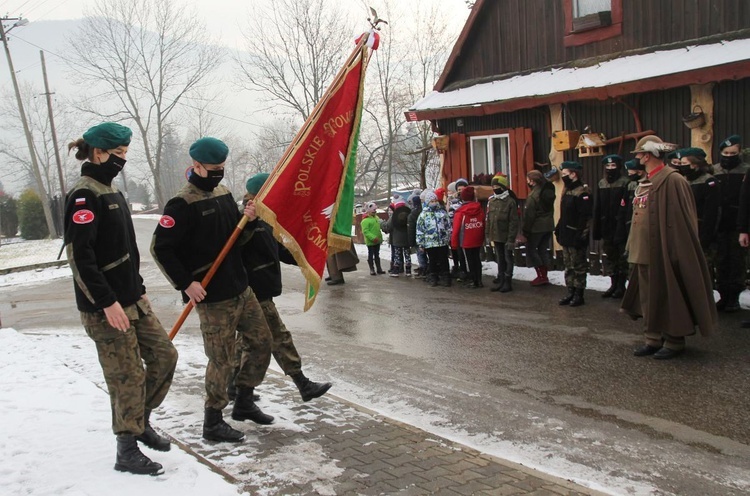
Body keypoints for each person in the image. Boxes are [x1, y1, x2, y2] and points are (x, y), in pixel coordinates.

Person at [65, 122, 178, 476]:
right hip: (106, 307)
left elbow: (124, 251)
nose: (123, 161)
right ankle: (126, 449)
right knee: (126, 375)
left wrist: (137, 288)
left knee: (164, 355)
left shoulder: (109, 190)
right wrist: (107, 303)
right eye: (119, 154)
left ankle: (137, 420)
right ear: (98, 153)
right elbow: (80, 259)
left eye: (126, 154)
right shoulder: (84, 196)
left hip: (132, 298)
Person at [151, 137, 274, 443]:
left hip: (240, 287)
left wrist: (246, 221)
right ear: (196, 166)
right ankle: (213, 420)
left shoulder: (223, 193)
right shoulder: (182, 203)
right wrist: (186, 284)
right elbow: (161, 248)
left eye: (222, 167)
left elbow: (235, 240)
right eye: (214, 168)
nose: (219, 172)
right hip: (212, 296)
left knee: (261, 342)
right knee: (222, 358)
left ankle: (244, 399)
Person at [236, 173, 332, 402]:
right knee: (279, 337)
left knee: (245, 341)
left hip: (263, 290)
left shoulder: (267, 219)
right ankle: (302, 384)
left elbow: (278, 251)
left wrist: (306, 258)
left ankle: (234, 387)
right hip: (253, 292)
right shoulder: (243, 221)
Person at [621, 135, 718, 359]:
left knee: (669, 294)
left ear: (646, 155)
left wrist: (677, 250)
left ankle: (674, 341)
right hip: (643, 250)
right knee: (648, 296)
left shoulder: (673, 180)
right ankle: (653, 338)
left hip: (664, 250)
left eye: (638, 154)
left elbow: (685, 219)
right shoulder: (646, 180)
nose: (637, 158)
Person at [712, 134, 750, 312]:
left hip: (738, 222)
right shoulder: (715, 171)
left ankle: (734, 296)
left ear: (739, 152)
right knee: (720, 259)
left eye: (733, 152)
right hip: (720, 222)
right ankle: (723, 294)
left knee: (736, 260)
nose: (729, 155)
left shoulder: (745, 170)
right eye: (726, 152)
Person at [592, 154, 631, 298]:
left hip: (619, 226)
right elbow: (598, 207)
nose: (610, 169)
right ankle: (613, 284)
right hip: (606, 225)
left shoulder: (625, 183)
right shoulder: (602, 183)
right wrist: (597, 228)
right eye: (607, 166)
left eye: (613, 166)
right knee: (610, 256)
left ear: (619, 167)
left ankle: (621, 286)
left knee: (622, 257)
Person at [555, 161, 592, 307]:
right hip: (566, 233)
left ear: (573, 174)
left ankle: (579, 294)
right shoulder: (567, 190)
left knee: (578, 266)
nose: (563, 177)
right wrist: (558, 227)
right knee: (568, 265)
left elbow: (586, 217)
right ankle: (570, 291)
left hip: (576, 235)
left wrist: (581, 235)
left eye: (565, 174)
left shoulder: (582, 192)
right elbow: (564, 214)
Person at [679, 148, 721, 252]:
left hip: (700, 230)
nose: (681, 166)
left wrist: (705, 239)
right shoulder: (683, 181)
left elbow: (711, 212)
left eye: (684, 163)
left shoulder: (708, 181)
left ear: (695, 164)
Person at [518, 170, 555, 286]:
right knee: (543, 250)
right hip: (548, 225)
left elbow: (529, 216)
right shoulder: (547, 191)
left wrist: (525, 231)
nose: (527, 182)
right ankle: (545, 274)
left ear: (532, 181)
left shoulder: (533, 196)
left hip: (536, 228)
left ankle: (541, 274)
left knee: (532, 251)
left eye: (528, 180)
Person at [485, 173, 519, 292]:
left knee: (508, 257)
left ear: (503, 187)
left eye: (497, 187)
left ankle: (508, 281)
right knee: (500, 258)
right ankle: (501, 278)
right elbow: (489, 219)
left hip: (506, 235)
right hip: (496, 234)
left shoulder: (510, 202)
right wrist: (488, 234)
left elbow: (513, 222)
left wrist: (511, 239)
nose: (495, 189)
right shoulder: (492, 201)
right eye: (493, 187)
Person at [451, 186, 486, 288]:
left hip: (466, 240)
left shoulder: (460, 212)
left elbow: (456, 229)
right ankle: (479, 280)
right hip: (478, 238)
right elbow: (483, 223)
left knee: (469, 260)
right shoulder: (479, 208)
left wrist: (454, 244)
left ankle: (473, 280)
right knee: (477, 259)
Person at [417, 191, 452, 287]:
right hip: (430, 243)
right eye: (432, 201)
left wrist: (448, 237)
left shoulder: (442, 213)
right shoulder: (423, 215)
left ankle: (445, 277)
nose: (434, 202)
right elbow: (420, 230)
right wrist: (421, 243)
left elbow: (448, 226)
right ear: (428, 202)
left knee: (443, 259)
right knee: (432, 260)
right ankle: (433, 277)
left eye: (435, 200)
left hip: (442, 242)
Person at [383, 194, 412, 277]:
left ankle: (396, 270)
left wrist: (382, 224)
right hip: (406, 238)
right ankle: (408, 270)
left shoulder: (394, 216)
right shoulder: (409, 214)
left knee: (397, 255)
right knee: (407, 254)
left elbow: (388, 226)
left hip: (397, 239)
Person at [361, 201, 386, 275]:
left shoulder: (376, 218)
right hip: (371, 241)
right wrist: (373, 238)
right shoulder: (365, 221)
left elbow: (379, 228)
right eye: (373, 210)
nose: (375, 211)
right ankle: (372, 269)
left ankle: (379, 269)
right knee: (371, 255)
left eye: (375, 210)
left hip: (377, 240)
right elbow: (366, 232)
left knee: (377, 255)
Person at [407, 194, 427, 278]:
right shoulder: (424, 211)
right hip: (427, 237)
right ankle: (426, 267)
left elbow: (411, 228)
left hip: (417, 237)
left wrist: (410, 241)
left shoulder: (412, 214)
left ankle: (423, 268)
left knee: (420, 253)